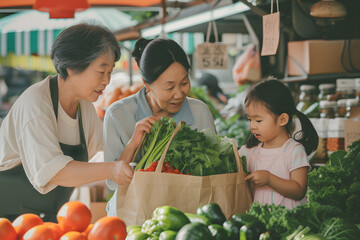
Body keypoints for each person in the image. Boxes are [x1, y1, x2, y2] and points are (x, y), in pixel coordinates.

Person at [0, 23, 134, 222]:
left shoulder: (84, 108)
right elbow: (52, 172)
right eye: (101, 71)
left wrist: (134, 141)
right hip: (7, 221)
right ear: (72, 67)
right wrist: (111, 170)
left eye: (110, 72)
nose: (107, 80)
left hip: (49, 222)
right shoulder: (36, 104)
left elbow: (107, 152)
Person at [104, 37, 216, 216]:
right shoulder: (118, 114)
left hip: (187, 214)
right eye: (169, 88)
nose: (179, 94)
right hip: (133, 217)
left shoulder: (200, 112)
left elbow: (213, 175)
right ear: (147, 84)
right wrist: (133, 145)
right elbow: (112, 183)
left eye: (184, 83)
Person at [238, 79, 318, 209]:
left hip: (290, 222)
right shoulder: (249, 152)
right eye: (249, 119)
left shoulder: (294, 151)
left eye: (258, 120)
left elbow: (299, 190)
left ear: (282, 120)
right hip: (259, 224)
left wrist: (269, 179)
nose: (252, 126)